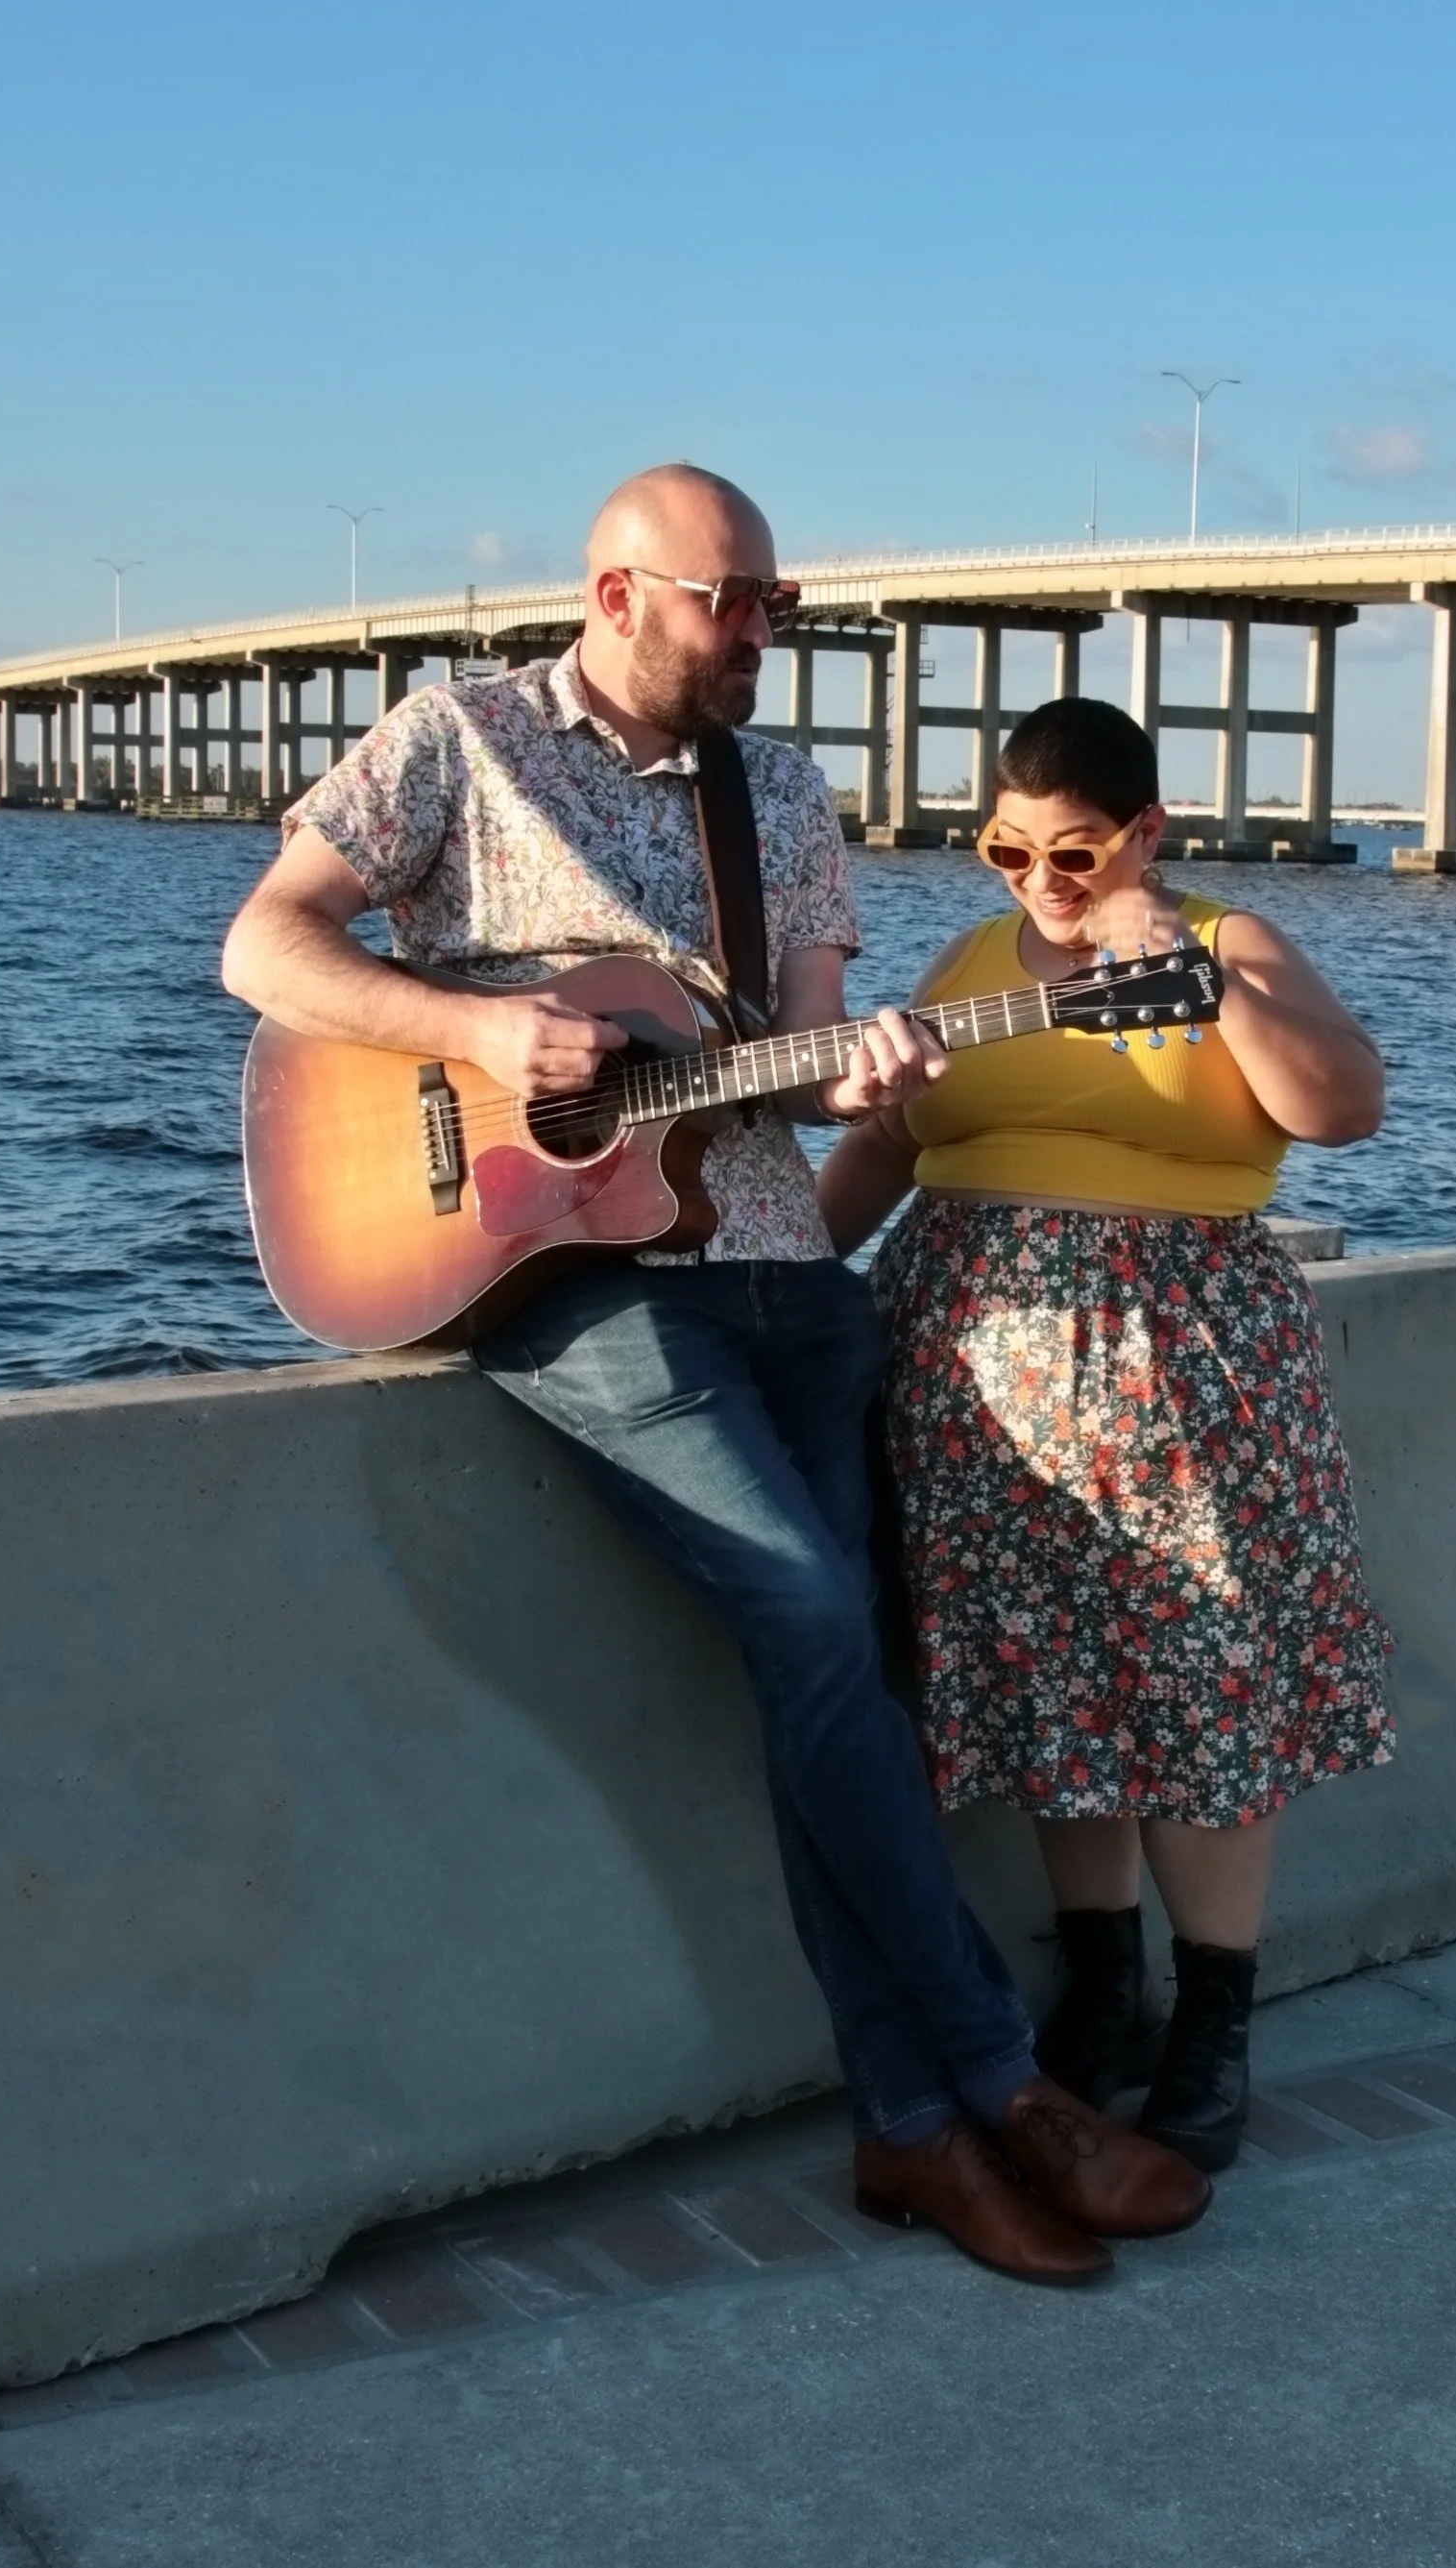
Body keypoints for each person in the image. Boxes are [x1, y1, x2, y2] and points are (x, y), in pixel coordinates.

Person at [221, 467, 1209, 2282]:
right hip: (572, 1276)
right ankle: (1011, 2089)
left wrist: (858, 1078)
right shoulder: (457, 738)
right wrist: (479, 1027)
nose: (762, 633)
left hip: (778, 1260)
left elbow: (809, 1041)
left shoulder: (783, 789)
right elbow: (262, 944)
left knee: (849, 1671)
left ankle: (914, 2135)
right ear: (616, 593)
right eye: (729, 602)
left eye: (777, 603)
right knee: (819, 1630)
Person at [818, 695, 1394, 2171]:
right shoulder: (966, 964)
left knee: (1200, 1682)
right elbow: (886, 1148)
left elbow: (1340, 1107)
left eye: (1072, 855)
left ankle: (1213, 2023)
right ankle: (1100, 1988)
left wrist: (1192, 980)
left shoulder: (1224, 940)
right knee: (1048, 1686)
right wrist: (768, 1283)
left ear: (1147, 832)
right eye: (1003, 851)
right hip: (974, 1391)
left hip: (1186, 1373)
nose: (1034, 884)